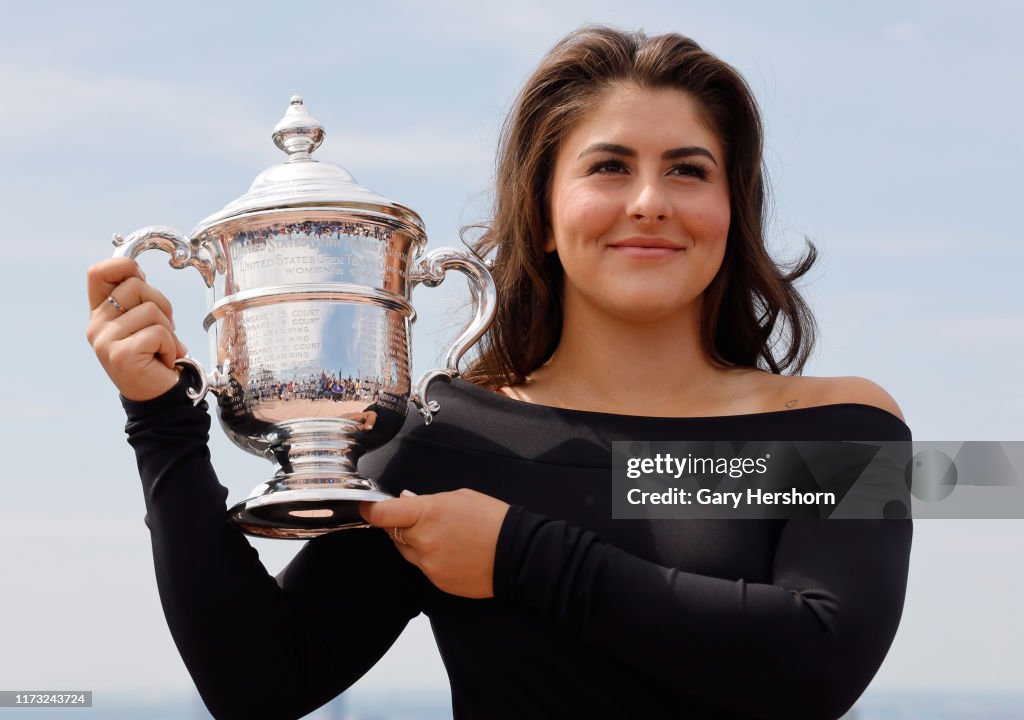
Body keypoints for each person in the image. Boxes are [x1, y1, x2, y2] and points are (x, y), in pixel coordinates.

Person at [86, 26, 911, 720]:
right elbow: (257, 683)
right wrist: (162, 423)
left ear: (732, 211)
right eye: (609, 167)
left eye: (690, 170)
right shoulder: (452, 441)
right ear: (544, 216)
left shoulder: (841, 426)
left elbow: (816, 663)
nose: (651, 201)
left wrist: (519, 555)